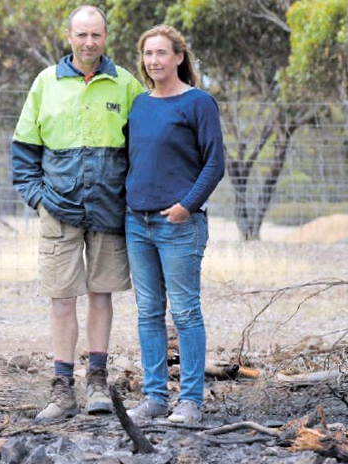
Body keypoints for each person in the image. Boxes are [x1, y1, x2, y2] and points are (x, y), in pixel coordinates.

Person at [11, 5, 144, 423]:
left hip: (109, 210)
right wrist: (39, 198)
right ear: (69, 36)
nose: (90, 43)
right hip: (59, 211)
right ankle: (62, 391)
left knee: (101, 295)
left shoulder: (125, 84)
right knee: (62, 299)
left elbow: (145, 146)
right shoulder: (45, 83)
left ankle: (98, 385)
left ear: (107, 38)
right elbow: (23, 152)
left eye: (97, 35)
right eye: (82, 35)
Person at [124, 25, 225, 424]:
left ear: (179, 57)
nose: (154, 61)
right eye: (149, 54)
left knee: (185, 313)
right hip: (137, 224)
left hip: (179, 225)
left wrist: (187, 205)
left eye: (162, 53)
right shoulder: (139, 105)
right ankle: (154, 398)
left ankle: (190, 402)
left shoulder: (198, 103)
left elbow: (214, 163)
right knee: (148, 313)